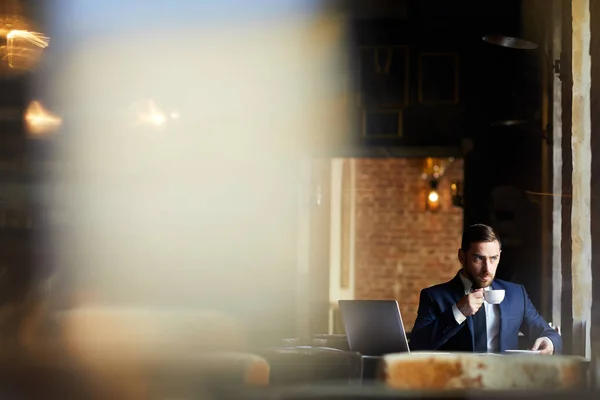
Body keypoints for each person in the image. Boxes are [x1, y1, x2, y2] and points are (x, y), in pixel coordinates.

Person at [410, 224, 561, 354]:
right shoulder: (434, 297)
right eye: (478, 259)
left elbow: (548, 333)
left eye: (493, 258)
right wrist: (457, 311)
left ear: (499, 257)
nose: (487, 269)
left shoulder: (516, 294)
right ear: (462, 257)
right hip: (457, 383)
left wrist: (550, 342)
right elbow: (417, 345)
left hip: (505, 383)